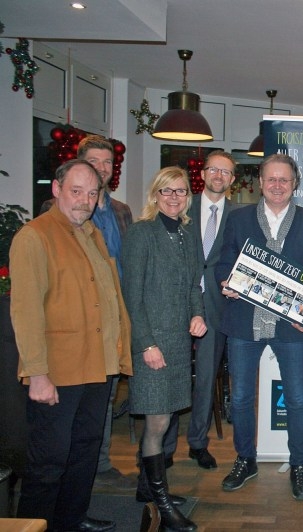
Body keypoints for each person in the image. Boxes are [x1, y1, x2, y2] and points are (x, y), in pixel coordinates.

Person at [11, 159, 132, 532]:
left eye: (92, 193)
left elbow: (107, 298)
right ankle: (34, 525)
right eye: (76, 191)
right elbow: (27, 311)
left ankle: (70, 519)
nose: (84, 200)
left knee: (84, 452)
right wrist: (38, 374)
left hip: (97, 366)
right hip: (58, 372)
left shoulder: (92, 233)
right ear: (57, 190)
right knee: (48, 462)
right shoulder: (35, 236)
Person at [216, 153, 303, 500]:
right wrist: (226, 283)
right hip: (244, 322)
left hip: (290, 326)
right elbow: (224, 263)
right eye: (271, 179)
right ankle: (245, 459)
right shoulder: (238, 219)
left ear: (295, 184)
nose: (277, 185)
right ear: (260, 182)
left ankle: (299, 465)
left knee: (296, 399)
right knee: (242, 398)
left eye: (284, 180)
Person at [40, 134, 135, 490]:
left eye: (107, 163)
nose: (101, 168)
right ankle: (73, 475)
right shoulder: (53, 218)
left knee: (105, 397)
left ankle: (100, 462)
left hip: (114, 317)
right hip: (74, 327)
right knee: (68, 415)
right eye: (93, 161)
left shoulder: (121, 212)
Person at [122, 166, 206, 531]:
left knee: (169, 415)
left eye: (181, 191)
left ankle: (149, 488)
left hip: (177, 340)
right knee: (157, 421)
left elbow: (193, 286)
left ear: (188, 197)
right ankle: (164, 505)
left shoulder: (188, 236)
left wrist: (198, 315)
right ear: (155, 195)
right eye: (167, 191)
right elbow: (132, 296)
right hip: (152, 344)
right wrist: (145, 344)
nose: (174, 197)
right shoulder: (141, 234)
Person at [184, 150, 237, 469]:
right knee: (171, 376)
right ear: (202, 174)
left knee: (205, 379)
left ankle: (197, 442)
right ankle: (160, 446)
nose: (219, 176)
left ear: (232, 180)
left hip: (217, 308)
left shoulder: (238, 215)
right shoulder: (180, 204)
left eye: (226, 172)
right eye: (214, 170)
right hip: (176, 303)